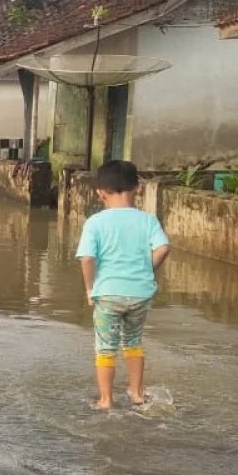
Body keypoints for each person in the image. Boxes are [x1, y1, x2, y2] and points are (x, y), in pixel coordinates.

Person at [76, 160, 170, 410]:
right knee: (133, 342)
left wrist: (89, 288)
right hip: (140, 294)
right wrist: (146, 269)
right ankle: (137, 393)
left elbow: (87, 258)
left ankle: (106, 399)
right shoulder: (148, 220)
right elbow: (163, 248)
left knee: (105, 347)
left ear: (99, 192)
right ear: (138, 188)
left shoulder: (95, 223)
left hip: (107, 294)